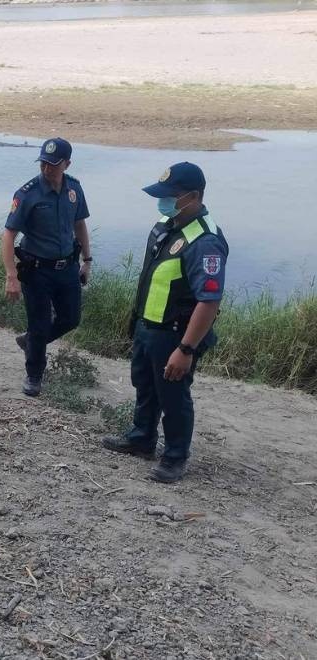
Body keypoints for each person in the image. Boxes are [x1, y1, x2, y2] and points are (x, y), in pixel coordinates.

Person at [102, 163, 228, 483]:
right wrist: (136, 322)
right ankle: (141, 438)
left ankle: (174, 457)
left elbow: (209, 300)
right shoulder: (165, 224)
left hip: (176, 334)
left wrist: (186, 348)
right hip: (149, 326)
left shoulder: (205, 241)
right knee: (144, 385)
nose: (163, 202)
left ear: (194, 197)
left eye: (170, 196)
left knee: (173, 397)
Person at [1, 137, 92, 397]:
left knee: (71, 318)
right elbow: (8, 235)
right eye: (43, 163)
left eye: (53, 164)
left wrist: (87, 261)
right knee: (40, 324)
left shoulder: (74, 189)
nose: (46, 169)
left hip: (67, 268)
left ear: (67, 164)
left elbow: (80, 225)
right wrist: (11, 276)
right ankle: (34, 374)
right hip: (37, 270)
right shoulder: (27, 194)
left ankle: (30, 341)